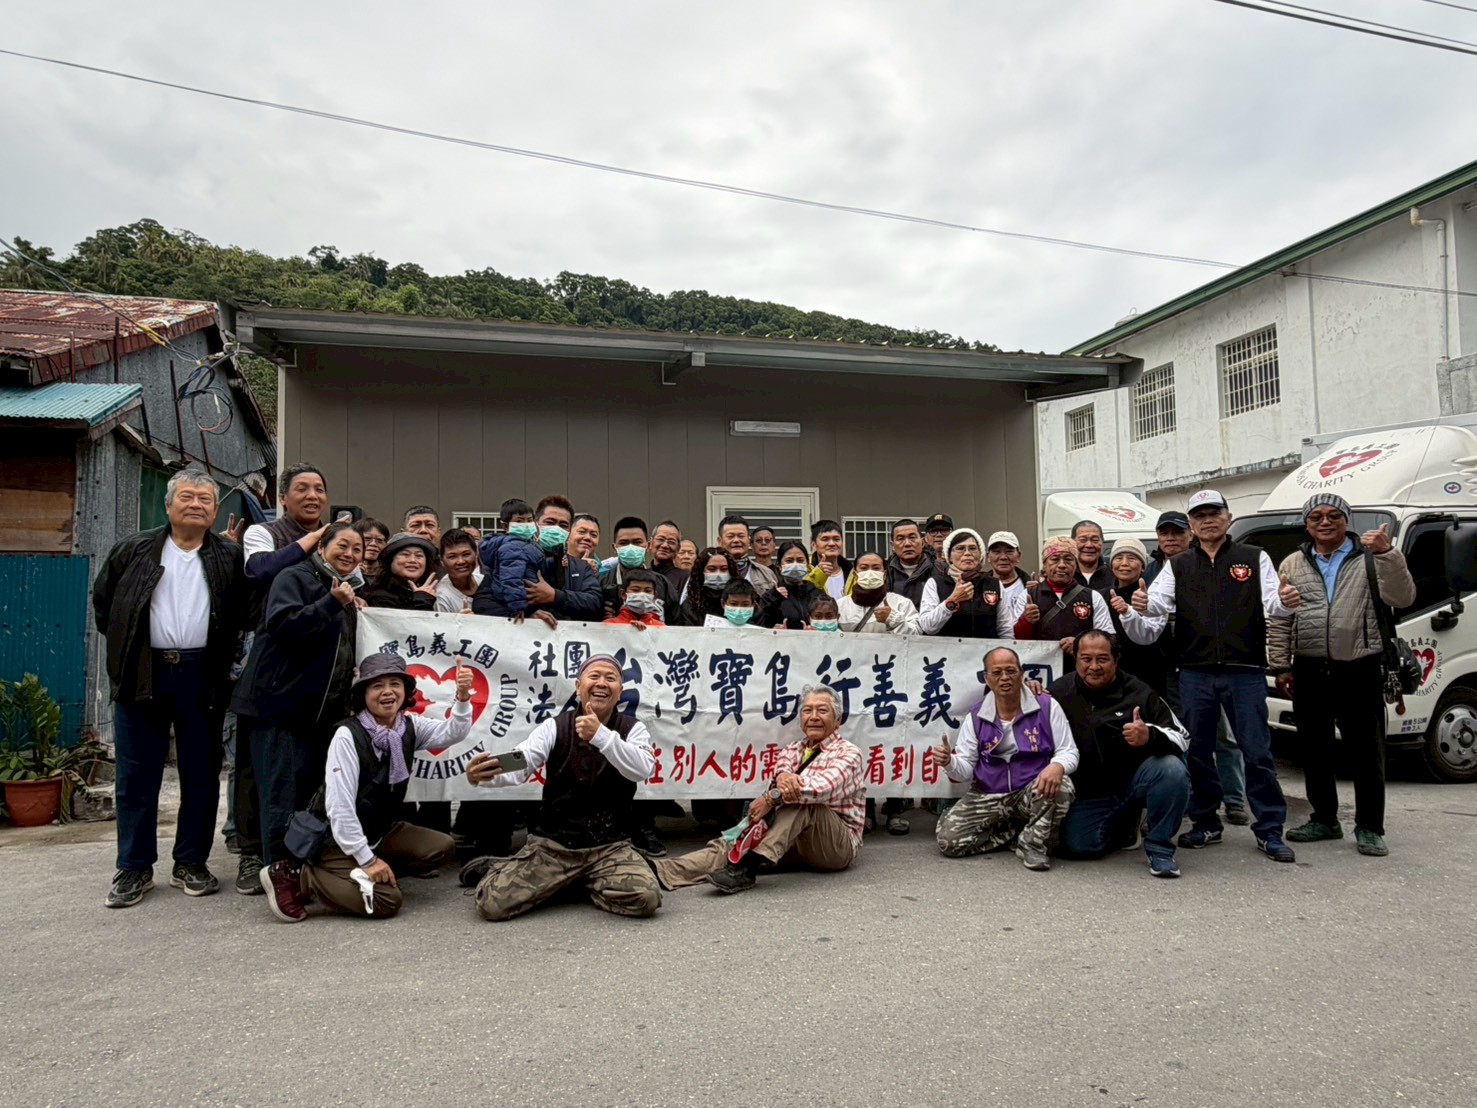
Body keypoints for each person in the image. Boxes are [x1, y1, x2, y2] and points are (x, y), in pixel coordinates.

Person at [1118, 489, 1302, 862]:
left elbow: (1274, 604)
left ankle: (1269, 829)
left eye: (1213, 512)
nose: (1207, 520)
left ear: (1228, 517)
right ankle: (1205, 822)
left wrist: (1286, 602)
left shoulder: (1253, 557)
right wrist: (1139, 606)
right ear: (1192, 524)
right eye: (1199, 515)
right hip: (1194, 672)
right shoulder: (1178, 565)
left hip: (1245, 672)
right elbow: (1154, 613)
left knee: (1257, 752)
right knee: (1198, 751)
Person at [92, 469, 246, 908]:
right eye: (187, 497)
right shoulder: (133, 550)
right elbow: (106, 607)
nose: (196, 504)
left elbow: (244, 612)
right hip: (143, 671)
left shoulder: (229, 557)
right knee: (136, 777)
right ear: (168, 505)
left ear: (215, 511)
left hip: (203, 675)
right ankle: (134, 867)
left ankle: (191, 862)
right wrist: (130, 652)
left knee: (201, 774)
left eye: (205, 499)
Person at [261, 653, 472, 922]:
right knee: (387, 901)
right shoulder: (347, 735)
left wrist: (462, 698)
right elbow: (339, 808)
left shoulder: (407, 726)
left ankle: (365, 874)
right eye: (377, 686)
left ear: (406, 691)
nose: (388, 692)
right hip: (335, 839)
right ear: (363, 694)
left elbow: (452, 732)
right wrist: (368, 860)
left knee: (441, 847)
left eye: (395, 684)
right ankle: (301, 877)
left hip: (379, 830)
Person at [460, 655, 662, 920]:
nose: (602, 683)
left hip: (610, 848)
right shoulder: (554, 726)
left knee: (646, 899)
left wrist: (601, 736)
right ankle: (528, 872)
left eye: (610, 678)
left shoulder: (633, 729)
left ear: (620, 692)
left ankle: (565, 883)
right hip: (554, 847)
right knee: (491, 904)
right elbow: (524, 758)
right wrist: (488, 772)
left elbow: (642, 768)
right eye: (594, 677)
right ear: (578, 687)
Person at [1269, 493, 1416, 858]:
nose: (1325, 522)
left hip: (1360, 666)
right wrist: (1281, 666)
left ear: (1346, 521)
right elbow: (1280, 618)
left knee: (1366, 752)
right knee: (1314, 749)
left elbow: (1403, 598)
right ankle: (1324, 819)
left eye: (1334, 515)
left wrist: (1387, 554)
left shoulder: (1371, 558)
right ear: (1306, 525)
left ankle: (1370, 827)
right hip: (1309, 667)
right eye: (1316, 516)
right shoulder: (1292, 563)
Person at [232, 521, 363, 869]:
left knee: (302, 793)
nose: (349, 554)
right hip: (278, 707)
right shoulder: (295, 577)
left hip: (314, 714)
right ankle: (279, 871)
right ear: (321, 547)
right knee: (279, 794)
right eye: (342, 546)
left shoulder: (344, 591)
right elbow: (283, 624)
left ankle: (297, 866)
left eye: (357, 549)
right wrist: (331, 603)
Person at [653, 685, 866, 894]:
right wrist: (781, 781)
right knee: (736, 842)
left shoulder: (849, 753)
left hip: (835, 846)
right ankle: (662, 871)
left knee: (804, 805)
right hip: (794, 837)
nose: (814, 717)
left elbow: (821, 790)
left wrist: (771, 798)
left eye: (822, 710)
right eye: (807, 710)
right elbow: (781, 773)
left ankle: (747, 866)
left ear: (838, 720)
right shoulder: (793, 749)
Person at [235, 462, 334, 895]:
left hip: (316, 679)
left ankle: (297, 854)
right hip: (272, 670)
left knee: (303, 773)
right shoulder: (264, 533)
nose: (312, 496)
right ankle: (254, 854)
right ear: (283, 498)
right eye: (302, 489)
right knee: (262, 772)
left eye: (319, 489)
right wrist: (311, 542)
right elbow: (259, 571)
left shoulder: (337, 543)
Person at [1050, 630, 1191, 878]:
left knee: (1171, 769)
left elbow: (1182, 736)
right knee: (1080, 847)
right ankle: (1127, 824)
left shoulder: (1140, 692)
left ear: (1116, 659)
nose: (1094, 666)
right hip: (1091, 791)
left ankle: (1160, 849)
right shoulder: (1058, 691)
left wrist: (1149, 735)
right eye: (1086, 659)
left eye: (1102, 659)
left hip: (1136, 781)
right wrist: (1030, 691)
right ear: (1076, 659)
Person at [931, 646, 1078, 871]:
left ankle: (1032, 845)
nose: (1005, 678)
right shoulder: (976, 716)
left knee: (1061, 785)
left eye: (1011, 671)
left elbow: (1069, 751)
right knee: (949, 843)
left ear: (1022, 673)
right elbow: (965, 770)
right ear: (986, 678)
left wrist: (1057, 766)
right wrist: (949, 762)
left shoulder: (1047, 706)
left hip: (1030, 790)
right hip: (988, 793)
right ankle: (1015, 834)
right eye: (997, 672)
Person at [1146, 510, 1249, 828]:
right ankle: (1194, 798)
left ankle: (1234, 799)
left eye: (1177, 532)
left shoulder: (1206, 563)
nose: (1171, 539)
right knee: (1185, 735)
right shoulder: (1150, 571)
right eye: (1164, 533)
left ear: (1190, 534)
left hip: (1211, 664)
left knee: (1224, 735)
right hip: (1169, 667)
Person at [473, 495, 602, 625]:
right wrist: (526, 616)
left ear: (569, 530)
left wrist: (555, 596)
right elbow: (483, 604)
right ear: (535, 524)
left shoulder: (580, 567)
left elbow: (595, 604)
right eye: (550, 522)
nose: (556, 529)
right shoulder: (506, 557)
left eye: (563, 525)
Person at [1008, 536, 1114, 654]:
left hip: (1078, 664)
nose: (1062, 565)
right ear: (1044, 564)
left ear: (1076, 564)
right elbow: (1015, 641)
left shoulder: (1093, 597)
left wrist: (1080, 643)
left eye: (1068, 559)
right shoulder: (1028, 595)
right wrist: (1026, 621)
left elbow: (1108, 638)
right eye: (1055, 559)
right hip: (1040, 664)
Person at [918, 527, 1012, 639]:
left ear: (980, 555)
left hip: (986, 649)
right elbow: (927, 627)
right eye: (960, 548)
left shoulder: (994, 584)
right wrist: (953, 600)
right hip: (947, 649)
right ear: (949, 556)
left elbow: (1005, 630)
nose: (967, 553)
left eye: (973, 548)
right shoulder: (935, 583)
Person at [1103, 537, 1168, 692]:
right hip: (1109, 673)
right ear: (1111, 565)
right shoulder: (1100, 595)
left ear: (1143, 566)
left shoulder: (1152, 596)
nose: (1124, 563)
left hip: (1147, 673)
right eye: (1119, 558)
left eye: (1132, 558)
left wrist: (1128, 611)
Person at [600, 516, 673, 621]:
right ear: (615, 548)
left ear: (648, 545)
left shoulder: (663, 584)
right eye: (623, 543)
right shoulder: (600, 583)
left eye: (637, 542)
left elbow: (676, 623)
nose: (631, 548)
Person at [837, 552, 919, 634]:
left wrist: (893, 619)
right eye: (864, 568)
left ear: (884, 574)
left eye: (876, 568)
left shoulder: (901, 603)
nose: (870, 573)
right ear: (855, 575)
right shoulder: (840, 606)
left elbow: (916, 634)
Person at [362, 532, 439, 610]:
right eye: (405, 554)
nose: (413, 560)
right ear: (390, 561)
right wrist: (422, 602)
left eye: (419, 555)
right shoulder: (379, 597)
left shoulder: (433, 593)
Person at [764, 540, 826, 629]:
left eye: (800, 560)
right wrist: (775, 599)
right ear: (779, 565)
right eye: (789, 561)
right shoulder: (770, 597)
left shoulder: (817, 594)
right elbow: (761, 624)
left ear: (807, 564)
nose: (795, 565)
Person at [676, 547, 740, 626]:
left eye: (724, 569)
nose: (718, 574)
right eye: (712, 569)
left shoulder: (743, 600)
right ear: (701, 572)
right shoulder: (690, 606)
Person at [718, 513, 778, 593]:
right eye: (730, 536)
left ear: (749, 541)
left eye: (741, 536)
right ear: (720, 541)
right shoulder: (711, 572)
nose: (736, 540)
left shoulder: (767, 573)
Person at [886, 518, 935, 609]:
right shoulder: (885, 572)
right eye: (900, 539)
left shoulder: (938, 570)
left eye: (912, 537)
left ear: (922, 542)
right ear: (893, 546)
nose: (907, 544)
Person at [435, 528, 483, 613]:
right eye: (452, 557)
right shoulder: (442, 597)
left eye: (466, 554)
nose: (461, 561)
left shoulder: (484, 581)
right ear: (441, 561)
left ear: (476, 554)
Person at [807, 519, 850, 600]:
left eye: (836, 539)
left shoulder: (852, 572)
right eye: (825, 539)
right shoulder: (806, 570)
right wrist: (818, 574)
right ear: (814, 545)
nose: (832, 544)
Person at [986, 531, 1027, 611]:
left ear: (1018, 556)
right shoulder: (979, 587)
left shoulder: (1031, 588)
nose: (1003, 557)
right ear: (988, 557)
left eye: (1009, 552)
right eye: (996, 552)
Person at [1071, 520, 1114, 592]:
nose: (1089, 545)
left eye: (1095, 540)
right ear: (1072, 542)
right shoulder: (1063, 574)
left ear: (1102, 542)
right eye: (1083, 540)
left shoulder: (1114, 574)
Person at [649, 520, 689, 599]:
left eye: (671, 542)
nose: (665, 545)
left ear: (678, 549)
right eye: (660, 539)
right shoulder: (642, 575)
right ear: (651, 543)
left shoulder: (686, 579)